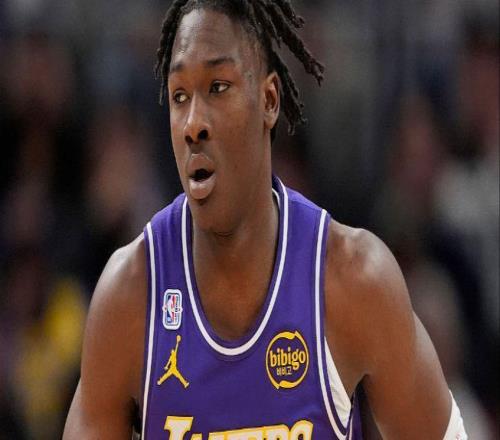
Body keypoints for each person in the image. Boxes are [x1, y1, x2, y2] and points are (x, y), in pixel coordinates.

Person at [63, 1, 467, 438]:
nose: (193, 123)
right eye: (179, 96)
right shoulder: (131, 294)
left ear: (269, 100)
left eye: (218, 87)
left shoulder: (352, 278)